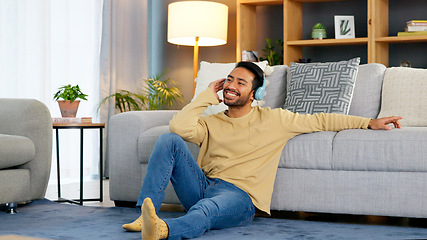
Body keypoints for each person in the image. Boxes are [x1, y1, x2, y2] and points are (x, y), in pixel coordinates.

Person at [122, 61, 402, 240]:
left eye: (240, 83)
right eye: (229, 80)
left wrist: (370, 122)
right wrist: (207, 95)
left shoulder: (275, 119)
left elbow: (323, 119)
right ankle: (143, 215)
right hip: (203, 186)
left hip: (240, 198)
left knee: (206, 209)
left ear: (255, 94)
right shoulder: (211, 122)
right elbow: (179, 127)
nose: (231, 86)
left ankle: (163, 230)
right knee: (167, 140)